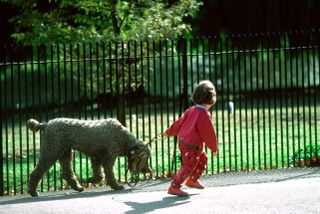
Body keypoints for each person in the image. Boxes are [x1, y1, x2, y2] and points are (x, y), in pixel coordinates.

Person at [164, 80, 218, 196]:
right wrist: (214, 147)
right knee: (189, 165)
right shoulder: (203, 115)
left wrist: (169, 131)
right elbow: (209, 133)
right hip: (192, 146)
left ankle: (192, 180)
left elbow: (179, 123)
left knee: (203, 158)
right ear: (211, 98)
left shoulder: (191, 110)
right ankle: (175, 186)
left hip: (184, 143)